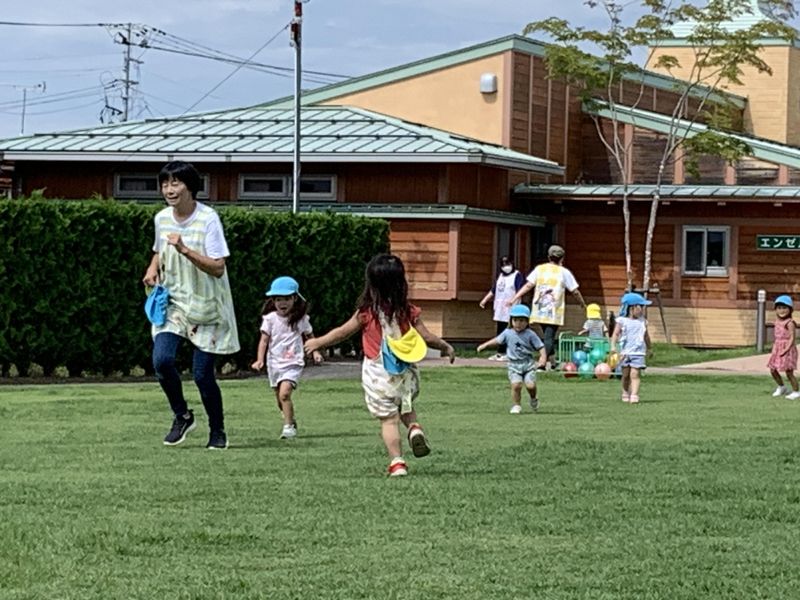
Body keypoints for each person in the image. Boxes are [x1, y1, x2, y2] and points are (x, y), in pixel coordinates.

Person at [304, 254, 456, 477]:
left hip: (378, 374)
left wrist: (318, 342)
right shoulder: (409, 311)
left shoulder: (366, 313)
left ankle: (397, 462)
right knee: (405, 407)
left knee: (388, 419)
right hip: (406, 372)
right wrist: (446, 347)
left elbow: (341, 333)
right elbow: (427, 337)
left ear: (371, 285)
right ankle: (414, 428)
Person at [142, 160, 240, 450]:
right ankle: (182, 415)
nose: (169, 189)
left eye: (176, 183)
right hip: (174, 303)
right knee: (161, 361)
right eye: (165, 183)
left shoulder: (208, 219)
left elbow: (219, 267)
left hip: (207, 306)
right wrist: (152, 268)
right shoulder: (162, 219)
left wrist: (185, 249)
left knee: (201, 375)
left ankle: (217, 430)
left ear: (190, 187)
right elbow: (160, 249)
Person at [250, 276, 324, 439]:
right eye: (278, 299)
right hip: (274, 363)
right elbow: (264, 341)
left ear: (295, 298)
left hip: (293, 362)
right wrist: (259, 359)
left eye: (286, 299)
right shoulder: (269, 320)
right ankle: (290, 418)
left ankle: (288, 427)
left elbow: (309, 336)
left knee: (285, 394)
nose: (282, 303)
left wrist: (315, 352)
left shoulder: (301, 319)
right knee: (279, 398)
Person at [507, 245, 586, 370]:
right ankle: (542, 363)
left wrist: (514, 298)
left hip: (540, 309)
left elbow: (528, 285)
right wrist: (582, 303)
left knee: (548, 335)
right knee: (549, 337)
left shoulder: (540, 269)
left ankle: (553, 363)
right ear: (562, 259)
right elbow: (575, 291)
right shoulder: (564, 272)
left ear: (549, 257)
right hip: (554, 310)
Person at [476, 304, 547, 414]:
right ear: (511, 320)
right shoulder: (508, 333)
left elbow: (540, 346)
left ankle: (533, 398)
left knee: (530, 385)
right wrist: (484, 345)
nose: (518, 323)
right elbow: (497, 340)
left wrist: (543, 358)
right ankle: (516, 405)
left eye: (522, 321)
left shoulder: (530, 334)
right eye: (516, 320)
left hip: (527, 364)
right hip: (514, 365)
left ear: (527, 322)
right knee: (516, 385)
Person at [479, 256, 525, 361]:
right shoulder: (501, 276)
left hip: (511, 309)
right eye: (503, 265)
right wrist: (484, 300)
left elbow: (519, 290)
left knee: (510, 331)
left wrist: (513, 300)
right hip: (500, 309)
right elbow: (494, 290)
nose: (506, 267)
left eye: (507, 264)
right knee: (500, 331)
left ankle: (510, 352)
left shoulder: (516, 275)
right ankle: (500, 352)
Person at [609, 292, 652, 405]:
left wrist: (649, 348)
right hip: (625, 353)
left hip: (638, 353)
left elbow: (646, 336)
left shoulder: (643, 322)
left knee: (635, 374)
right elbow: (615, 334)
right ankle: (625, 392)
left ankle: (634, 394)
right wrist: (613, 346)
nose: (642, 309)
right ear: (632, 307)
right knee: (626, 374)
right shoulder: (622, 321)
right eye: (640, 306)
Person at [767, 295, 800, 399]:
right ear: (776, 309)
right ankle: (781, 386)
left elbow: (792, 338)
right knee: (772, 369)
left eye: (785, 308)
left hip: (788, 350)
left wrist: (786, 349)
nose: (782, 310)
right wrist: (774, 349)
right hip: (777, 348)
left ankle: (796, 391)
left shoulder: (790, 323)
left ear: (790, 309)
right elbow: (776, 337)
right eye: (779, 308)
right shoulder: (776, 322)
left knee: (789, 372)